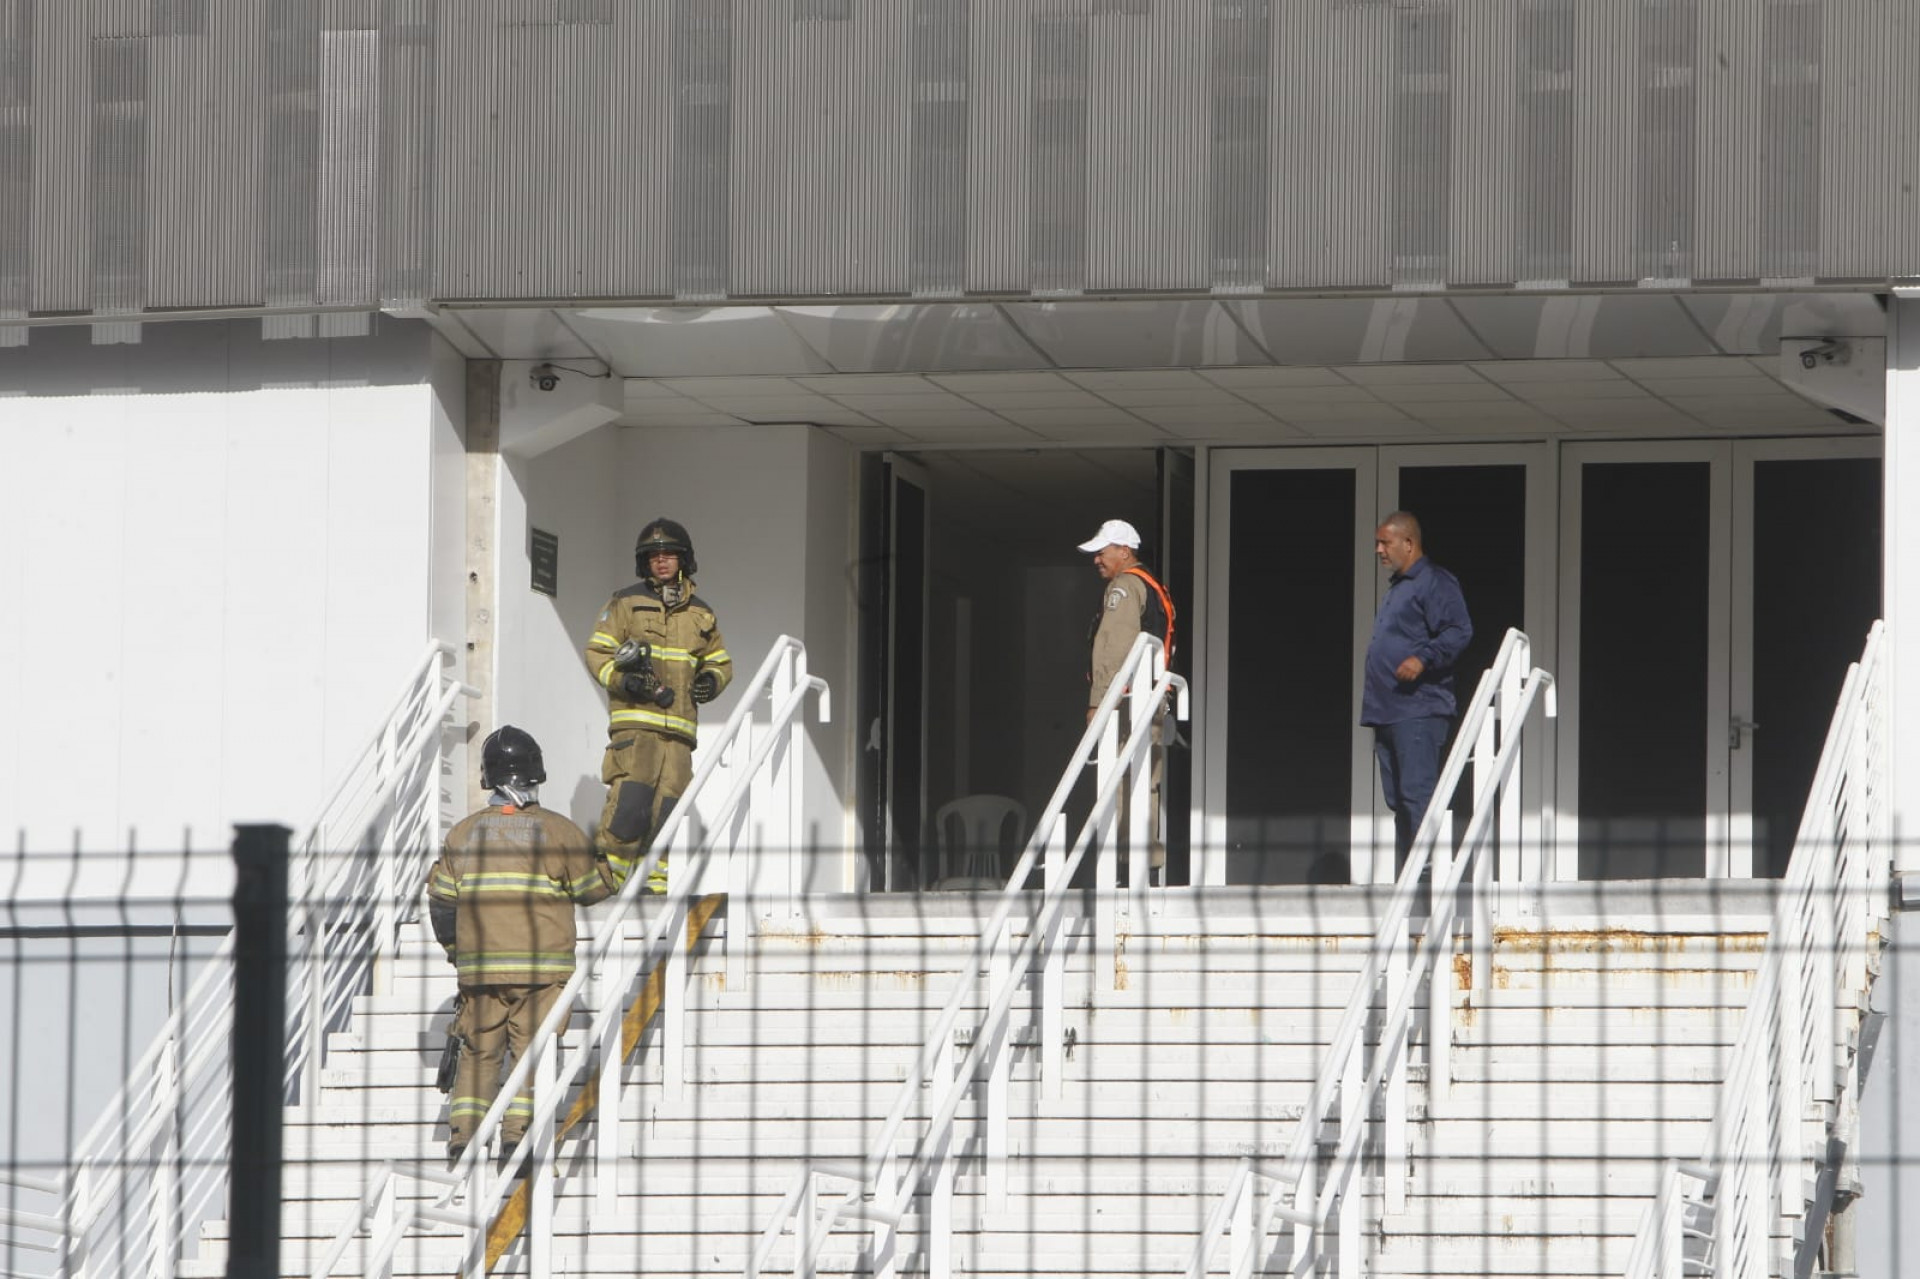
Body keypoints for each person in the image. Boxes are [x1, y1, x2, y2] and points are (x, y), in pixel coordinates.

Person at [427, 725, 621, 1168]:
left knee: (477, 1053)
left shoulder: (462, 834)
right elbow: (595, 889)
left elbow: (440, 902)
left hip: (479, 974)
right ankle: (517, 1139)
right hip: (540, 971)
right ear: (535, 775)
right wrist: (612, 858)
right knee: (532, 1053)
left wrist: (459, 952)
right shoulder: (559, 831)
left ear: (488, 776)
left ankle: (464, 1140)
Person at [582, 518, 732, 891]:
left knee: (668, 809)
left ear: (684, 560)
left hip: (679, 733)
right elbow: (597, 652)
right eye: (653, 556)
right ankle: (608, 882)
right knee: (630, 805)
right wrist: (624, 680)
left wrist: (710, 681)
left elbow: (720, 661)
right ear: (644, 562)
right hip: (636, 726)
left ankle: (655, 885)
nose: (661, 561)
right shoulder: (624, 603)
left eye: (669, 555)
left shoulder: (703, 614)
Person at [1362, 511, 1472, 871]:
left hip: (1419, 710)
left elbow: (1458, 630)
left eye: (1385, 542)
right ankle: (1407, 875)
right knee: (1398, 799)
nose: (1379, 549)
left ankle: (1426, 873)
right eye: (1378, 542)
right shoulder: (1401, 586)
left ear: (1408, 543)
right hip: (1388, 710)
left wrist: (1422, 659)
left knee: (1417, 794)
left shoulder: (1434, 582)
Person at [1078, 518, 1176, 879]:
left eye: (1102, 553)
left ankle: (1121, 871)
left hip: (1128, 703)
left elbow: (1112, 647)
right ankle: (1141, 867)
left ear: (1124, 551)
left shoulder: (1125, 585)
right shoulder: (1153, 586)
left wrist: (1098, 701)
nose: (1096, 561)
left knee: (1119, 783)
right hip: (1150, 700)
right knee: (1143, 783)